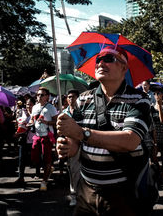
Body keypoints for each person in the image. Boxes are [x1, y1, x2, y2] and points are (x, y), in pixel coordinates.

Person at [56, 45, 151, 216]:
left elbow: (130, 140)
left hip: (123, 193)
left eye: (108, 59)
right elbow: (75, 142)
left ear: (124, 67)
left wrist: (82, 133)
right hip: (86, 192)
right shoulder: (83, 99)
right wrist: (67, 146)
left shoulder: (139, 99)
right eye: (98, 59)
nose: (100, 63)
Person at [30, 87, 58, 191]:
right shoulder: (34, 107)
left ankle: (44, 181)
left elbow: (56, 122)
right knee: (34, 158)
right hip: (37, 136)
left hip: (47, 136)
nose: (39, 97)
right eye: (38, 94)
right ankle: (49, 168)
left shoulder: (51, 108)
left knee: (46, 159)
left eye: (42, 95)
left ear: (47, 96)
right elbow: (33, 120)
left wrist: (47, 122)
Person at [62, 89, 82, 207]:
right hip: (69, 144)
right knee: (73, 171)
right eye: (69, 97)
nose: (71, 99)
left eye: (73, 97)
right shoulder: (64, 112)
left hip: (82, 143)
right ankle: (74, 195)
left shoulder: (82, 112)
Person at [14, 97, 35, 186]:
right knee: (21, 158)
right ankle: (21, 177)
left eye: (30, 105)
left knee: (36, 158)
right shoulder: (23, 114)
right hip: (23, 139)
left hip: (33, 139)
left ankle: (40, 172)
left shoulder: (35, 114)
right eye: (27, 105)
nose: (28, 106)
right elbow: (19, 123)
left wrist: (29, 125)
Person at [150, 89, 163, 185]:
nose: (157, 95)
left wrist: (160, 106)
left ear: (162, 95)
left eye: (159, 94)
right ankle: (158, 173)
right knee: (154, 156)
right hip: (155, 135)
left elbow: (162, 121)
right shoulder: (151, 108)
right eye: (155, 94)